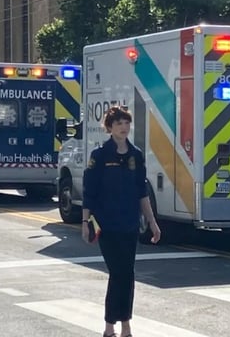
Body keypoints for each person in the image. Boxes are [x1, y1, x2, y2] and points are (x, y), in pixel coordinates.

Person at [81, 106, 161, 337]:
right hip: (106, 224)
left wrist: (152, 222)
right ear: (110, 127)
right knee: (118, 272)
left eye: (127, 123)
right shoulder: (100, 155)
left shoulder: (136, 154)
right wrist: (85, 222)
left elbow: (142, 193)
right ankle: (110, 325)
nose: (124, 127)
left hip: (129, 224)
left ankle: (124, 326)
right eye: (119, 124)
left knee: (127, 273)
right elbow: (89, 192)